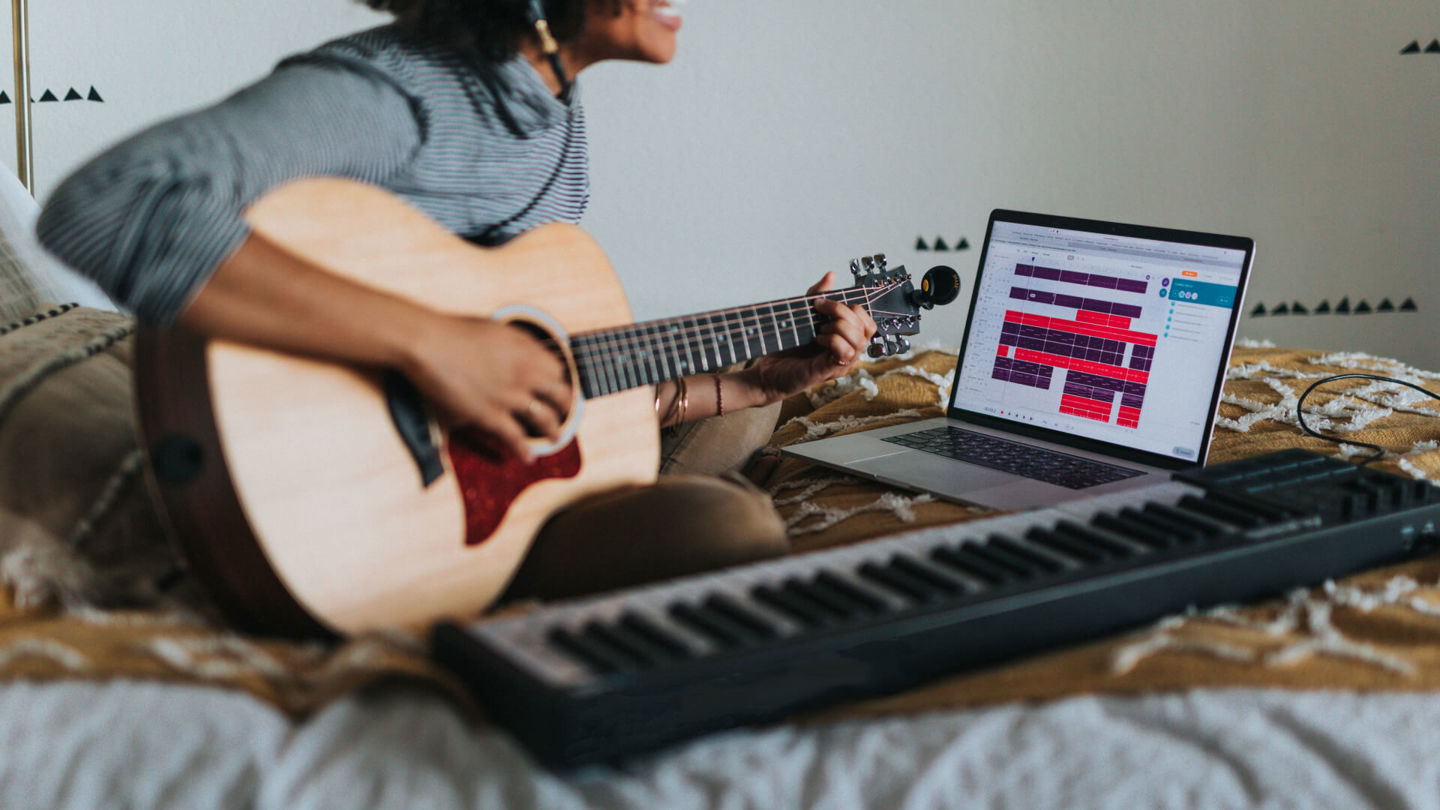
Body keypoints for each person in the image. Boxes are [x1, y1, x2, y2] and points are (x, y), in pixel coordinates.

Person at [35, 0, 877, 603]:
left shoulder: (552, 115)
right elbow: (111, 202)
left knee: (747, 419)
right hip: (347, 481)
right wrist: (431, 345)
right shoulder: (398, 94)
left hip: (481, 458)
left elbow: (536, 367)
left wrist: (749, 383)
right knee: (734, 535)